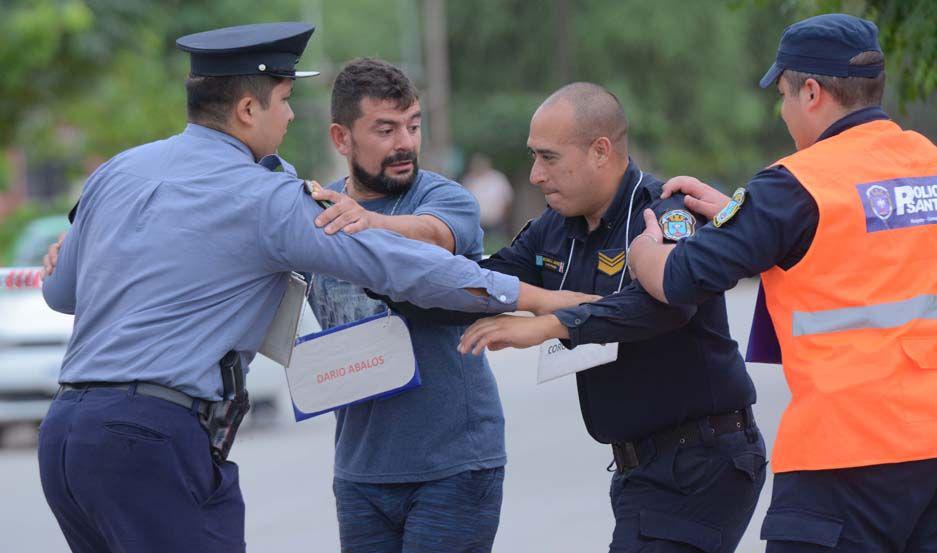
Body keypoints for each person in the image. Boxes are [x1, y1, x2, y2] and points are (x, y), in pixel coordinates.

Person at [37, 23, 586, 553]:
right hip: (154, 438)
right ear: (248, 109)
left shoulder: (118, 171)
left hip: (65, 437)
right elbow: (402, 267)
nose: (291, 112)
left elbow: (62, 294)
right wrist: (543, 300)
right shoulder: (268, 196)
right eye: (282, 99)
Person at [401, 82, 767, 552]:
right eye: (533, 157)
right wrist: (378, 268)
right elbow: (481, 284)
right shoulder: (556, 227)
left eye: (549, 158)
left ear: (601, 151)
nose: (535, 175)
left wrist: (549, 322)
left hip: (702, 461)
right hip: (641, 468)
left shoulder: (666, 212)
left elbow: (666, 305)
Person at [627, 14, 937, 552]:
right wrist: (739, 217)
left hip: (843, 457)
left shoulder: (795, 183)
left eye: (785, 94)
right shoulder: (926, 163)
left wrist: (642, 250)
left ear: (812, 92)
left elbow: (680, 279)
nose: (784, 109)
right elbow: (852, 242)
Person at [301, 58, 508, 553]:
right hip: (360, 471)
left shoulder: (444, 198)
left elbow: (435, 239)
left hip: (453, 465)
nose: (405, 143)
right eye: (385, 129)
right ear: (341, 138)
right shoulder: (311, 213)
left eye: (413, 125)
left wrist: (367, 224)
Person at [462, 153, 514, 244]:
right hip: (476, 222)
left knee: (497, 245)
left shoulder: (498, 178)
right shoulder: (469, 180)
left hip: (496, 221)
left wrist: (503, 216)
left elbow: (508, 199)